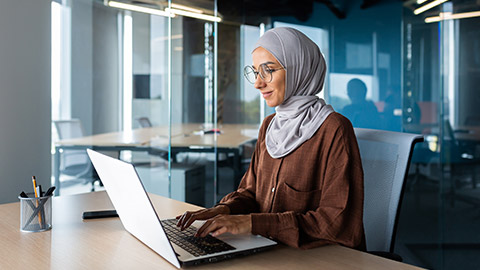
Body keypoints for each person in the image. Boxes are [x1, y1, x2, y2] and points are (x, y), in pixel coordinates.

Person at [176, 27, 366, 250]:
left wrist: (253, 223)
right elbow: (251, 194)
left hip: (314, 258)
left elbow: (337, 223)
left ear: (299, 70)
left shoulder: (334, 129)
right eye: (255, 72)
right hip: (267, 248)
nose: (258, 83)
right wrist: (224, 210)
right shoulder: (269, 126)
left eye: (268, 71)